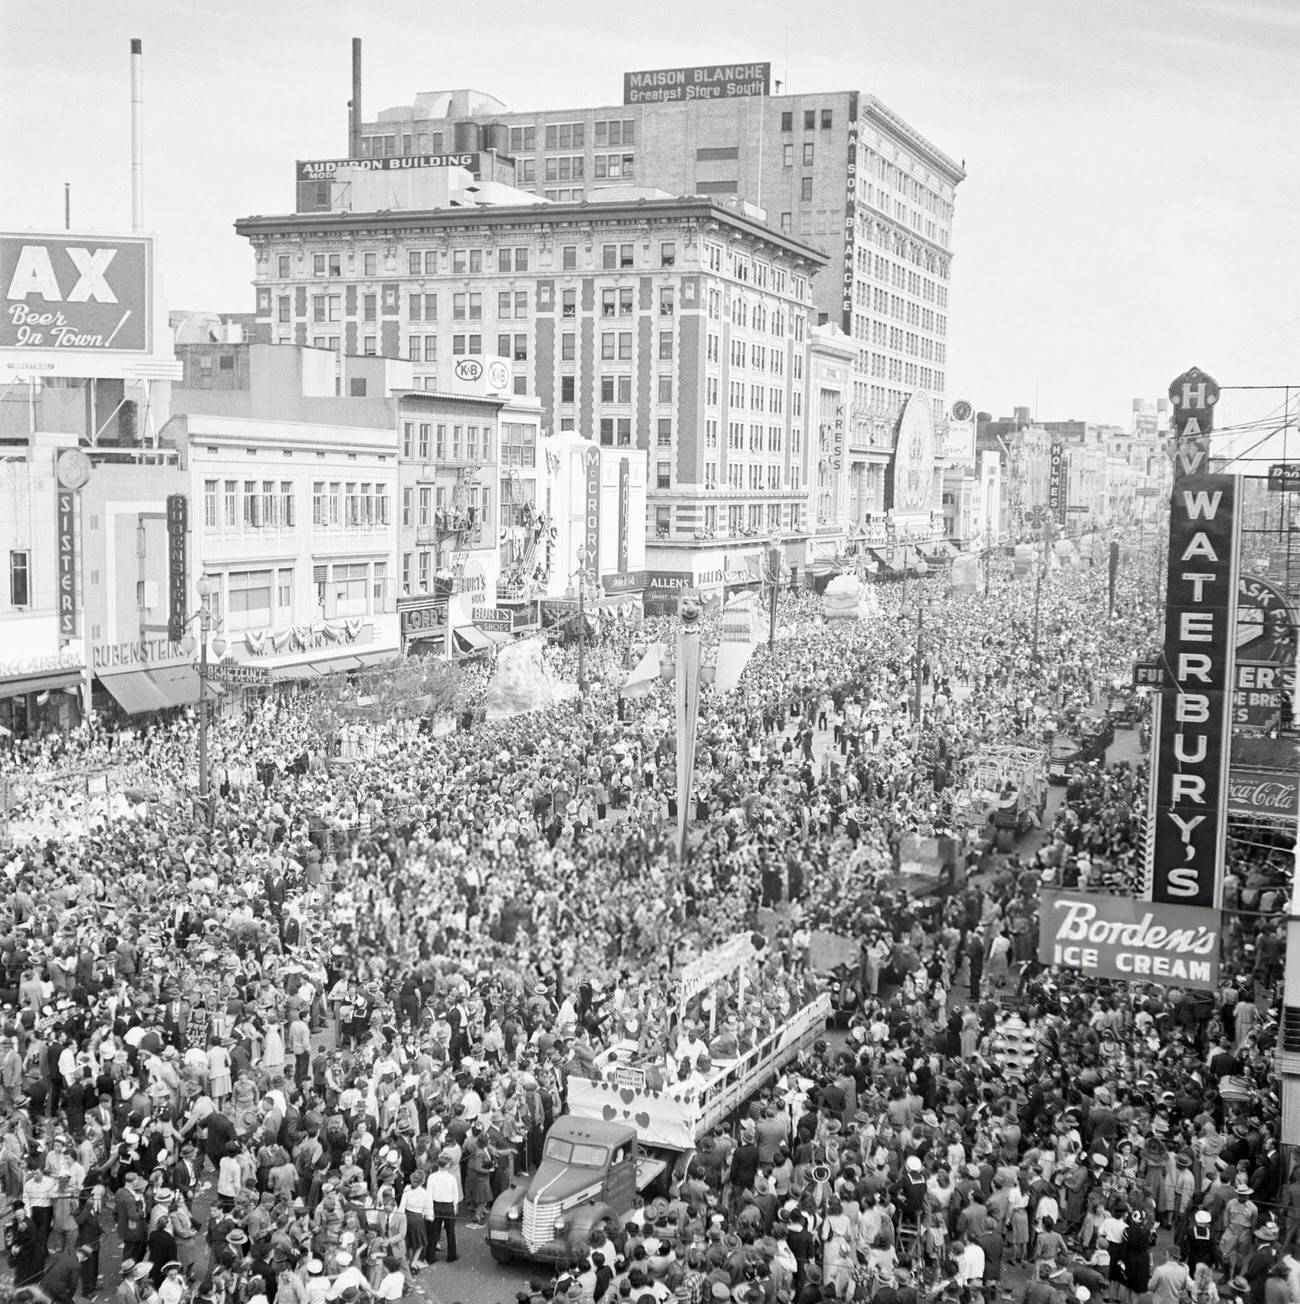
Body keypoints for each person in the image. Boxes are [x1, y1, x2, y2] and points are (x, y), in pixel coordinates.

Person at [426, 1153, 459, 1263]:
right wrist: (455, 1207)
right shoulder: (452, 1178)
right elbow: (455, 1195)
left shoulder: (432, 1177)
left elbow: (429, 1194)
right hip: (448, 1206)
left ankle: (430, 1257)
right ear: (447, 1165)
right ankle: (451, 1256)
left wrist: (429, 1210)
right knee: (450, 1232)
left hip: (436, 1205)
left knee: (434, 1232)